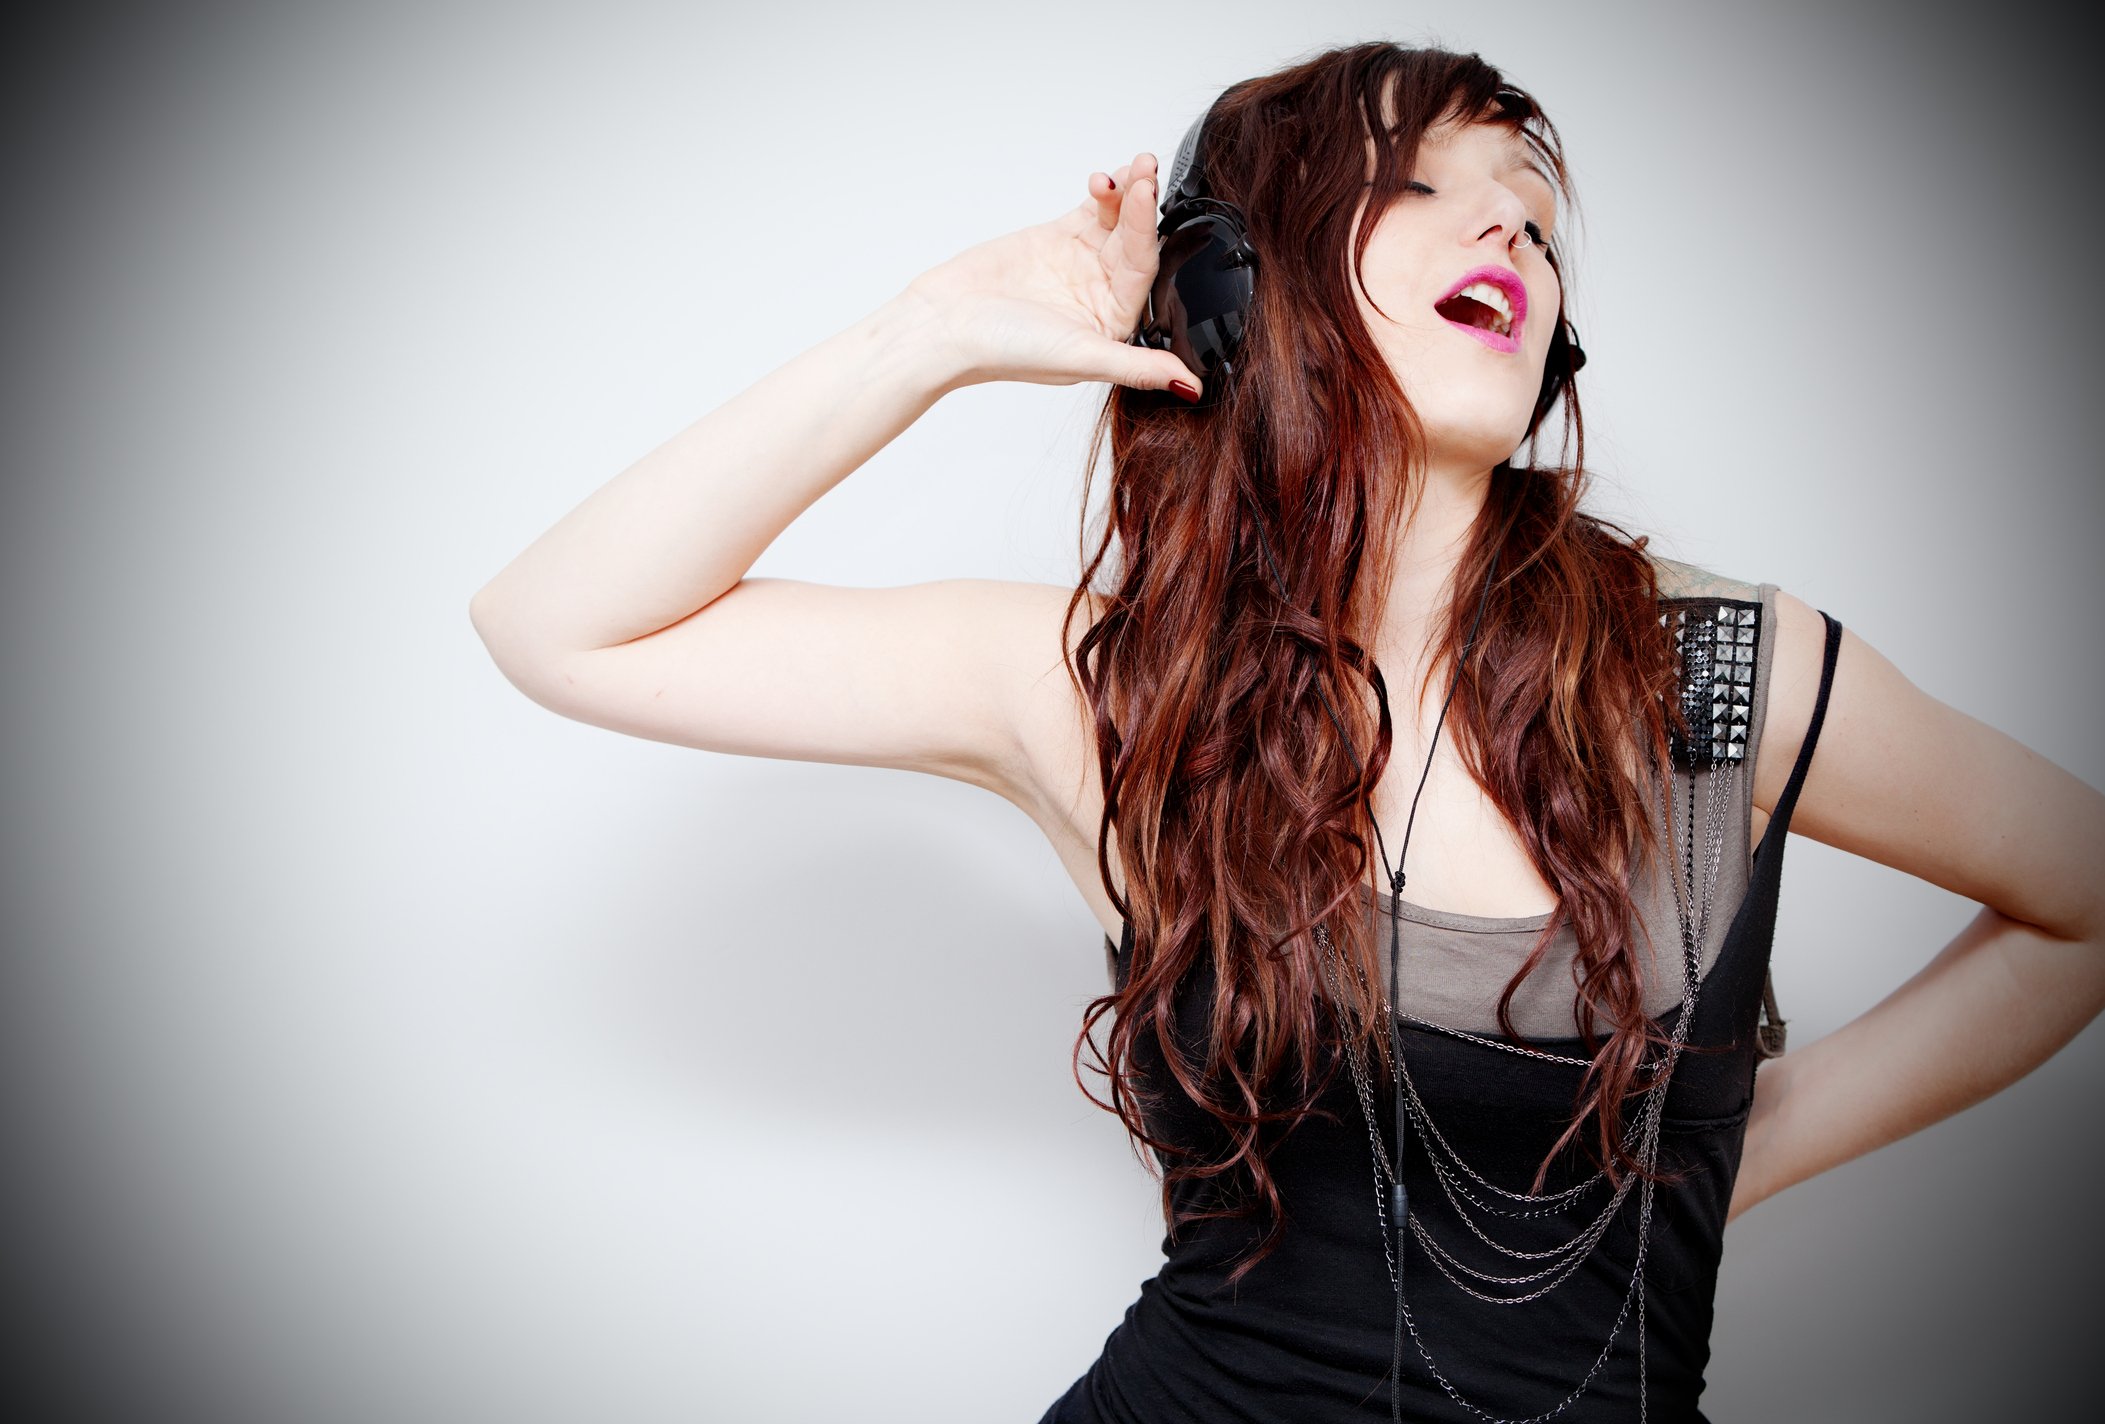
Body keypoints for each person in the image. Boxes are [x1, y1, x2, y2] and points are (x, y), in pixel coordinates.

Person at [468, 40, 2105, 1424]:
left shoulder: (1718, 680)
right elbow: (557, 623)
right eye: (1423, 186)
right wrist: (930, 336)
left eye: (1537, 222)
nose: (1513, 238)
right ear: (1236, 284)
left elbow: (2079, 900)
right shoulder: (1106, 687)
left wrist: (1716, 1164)